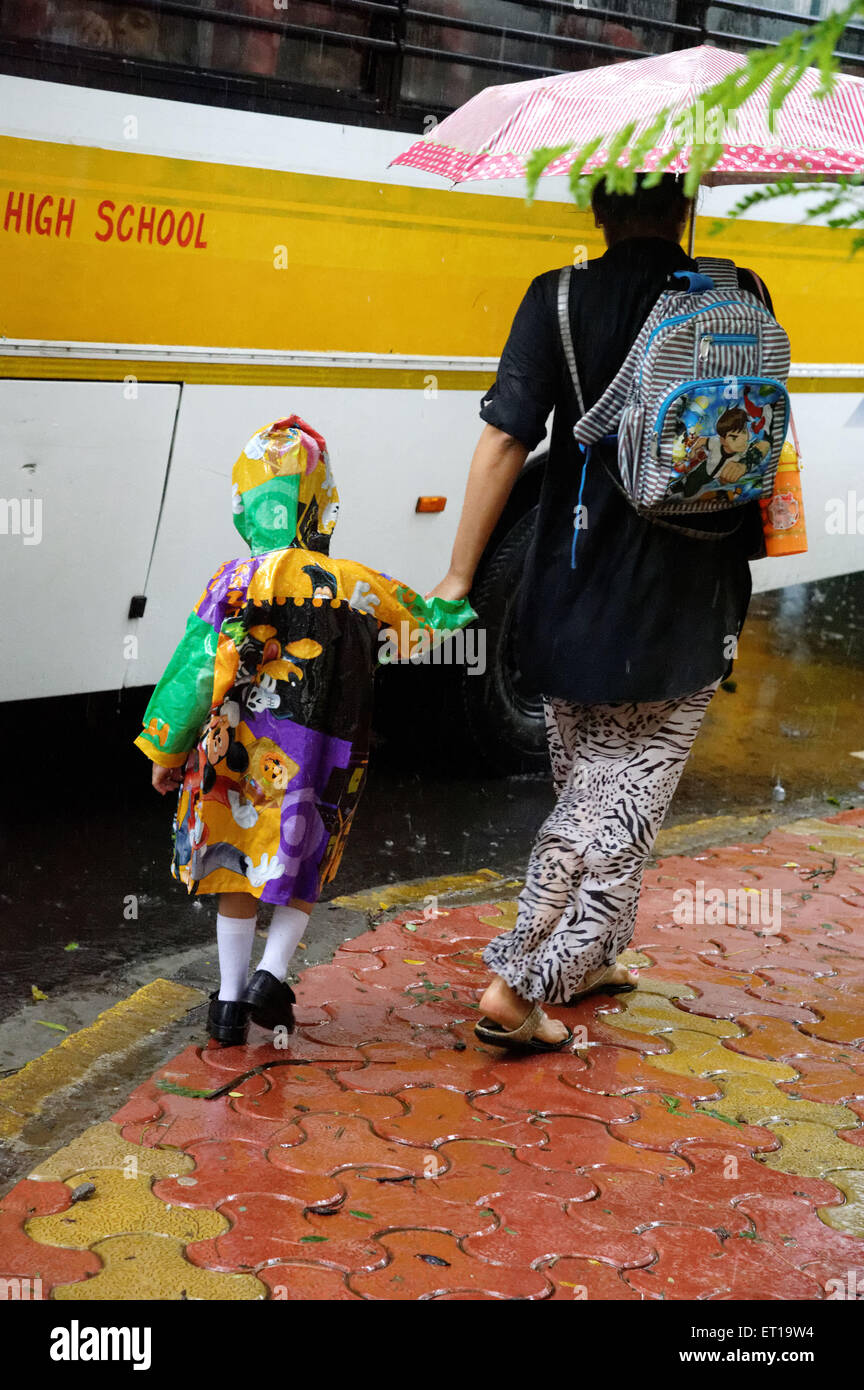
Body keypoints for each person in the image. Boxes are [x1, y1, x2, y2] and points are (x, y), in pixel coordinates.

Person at [427, 174, 769, 1051]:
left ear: (599, 211)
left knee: (589, 784)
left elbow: (506, 440)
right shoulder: (743, 293)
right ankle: (519, 981)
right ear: (685, 206)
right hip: (690, 600)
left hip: (571, 584)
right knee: (615, 802)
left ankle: (590, 953)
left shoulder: (559, 298)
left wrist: (459, 582)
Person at [136, 415, 475, 1047]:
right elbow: (419, 629)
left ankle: (230, 1008)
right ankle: (273, 975)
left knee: (233, 866)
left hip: (233, 756)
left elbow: (193, 674)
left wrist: (165, 748)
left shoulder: (230, 582)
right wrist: (456, 595)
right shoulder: (356, 585)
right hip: (323, 757)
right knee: (302, 861)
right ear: (323, 502)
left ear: (246, 502)